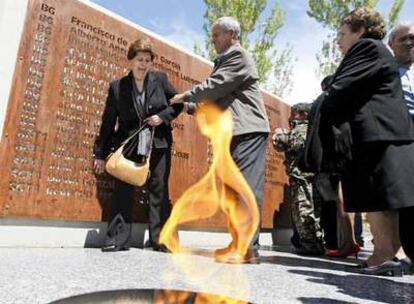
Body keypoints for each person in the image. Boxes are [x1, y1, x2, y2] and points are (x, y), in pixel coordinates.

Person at [315, 7, 414, 276]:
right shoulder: (377, 50)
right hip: (383, 133)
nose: (338, 40)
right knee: (382, 198)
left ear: (360, 30)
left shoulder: (367, 47)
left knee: (379, 197)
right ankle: (388, 254)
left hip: (378, 134)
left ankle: (384, 256)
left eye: (342, 33)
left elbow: (339, 89)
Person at [171, 16, 270, 264]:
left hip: (248, 131)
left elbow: (216, 86)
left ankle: (247, 248)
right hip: (234, 132)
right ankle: (237, 242)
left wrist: (185, 95)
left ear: (232, 35)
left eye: (216, 35)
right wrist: (191, 107)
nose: (212, 39)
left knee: (244, 189)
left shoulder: (239, 57)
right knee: (232, 191)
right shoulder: (225, 62)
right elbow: (219, 99)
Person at [93, 38, 183, 252]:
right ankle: (118, 238)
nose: (143, 64)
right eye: (139, 59)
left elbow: (178, 103)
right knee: (123, 189)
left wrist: (162, 117)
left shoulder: (160, 80)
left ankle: (161, 240)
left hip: (158, 143)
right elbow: (108, 123)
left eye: (147, 60)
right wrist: (100, 154)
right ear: (131, 60)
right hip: (130, 144)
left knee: (159, 189)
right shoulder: (117, 87)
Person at [273, 103, 325, 255]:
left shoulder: (302, 129)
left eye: (293, 113)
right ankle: (314, 243)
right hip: (309, 177)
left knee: (304, 210)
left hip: (302, 178)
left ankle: (311, 245)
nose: (290, 117)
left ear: (300, 114)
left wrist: (279, 135)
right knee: (312, 210)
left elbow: (289, 144)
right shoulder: (313, 128)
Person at [387, 22, 414, 274]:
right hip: (400, 139)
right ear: (391, 44)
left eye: (413, 39)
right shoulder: (384, 72)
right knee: (406, 199)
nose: (410, 43)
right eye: (404, 38)